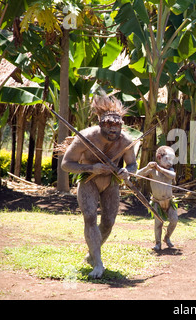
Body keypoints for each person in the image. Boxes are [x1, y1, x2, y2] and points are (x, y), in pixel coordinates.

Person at [61, 94, 137, 278]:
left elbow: (132, 164)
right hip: (89, 181)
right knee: (89, 217)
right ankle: (98, 263)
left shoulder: (126, 141)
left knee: (109, 222)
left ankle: (92, 253)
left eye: (116, 127)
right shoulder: (86, 138)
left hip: (111, 183)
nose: (113, 131)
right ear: (101, 124)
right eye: (109, 127)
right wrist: (91, 168)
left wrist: (127, 172)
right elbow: (66, 163)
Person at [137, 146, 178, 251]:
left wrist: (160, 169)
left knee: (174, 220)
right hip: (157, 202)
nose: (170, 163)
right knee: (158, 223)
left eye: (172, 160)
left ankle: (167, 237)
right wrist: (147, 167)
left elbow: (172, 176)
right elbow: (137, 175)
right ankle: (158, 244)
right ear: (159, 157)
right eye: (167, 159)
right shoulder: (152, 171)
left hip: (169, 201)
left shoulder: (171, 170)